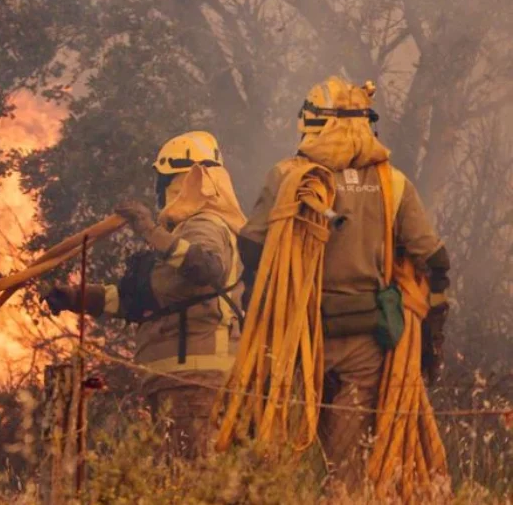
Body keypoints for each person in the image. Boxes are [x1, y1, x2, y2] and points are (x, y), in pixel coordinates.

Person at [236, 76, 451, 483]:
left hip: (296, 339)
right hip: (365, 346)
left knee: (277, 452)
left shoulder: (287, 176)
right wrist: (431, 335)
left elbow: (251, 249)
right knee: (348, 463)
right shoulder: (394, 183)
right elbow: (435, 259)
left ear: (313, 122)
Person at [45, 131, 247, 458]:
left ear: (182, 179)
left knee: (192, 485)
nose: (159, 191)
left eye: (163, 180)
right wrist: (76, 297)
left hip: (196, 380)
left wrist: (149, 231)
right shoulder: (179, 237)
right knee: (182, 482)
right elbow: (136, 302)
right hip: (179, 380)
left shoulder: (204, 225)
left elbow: (207, 269)